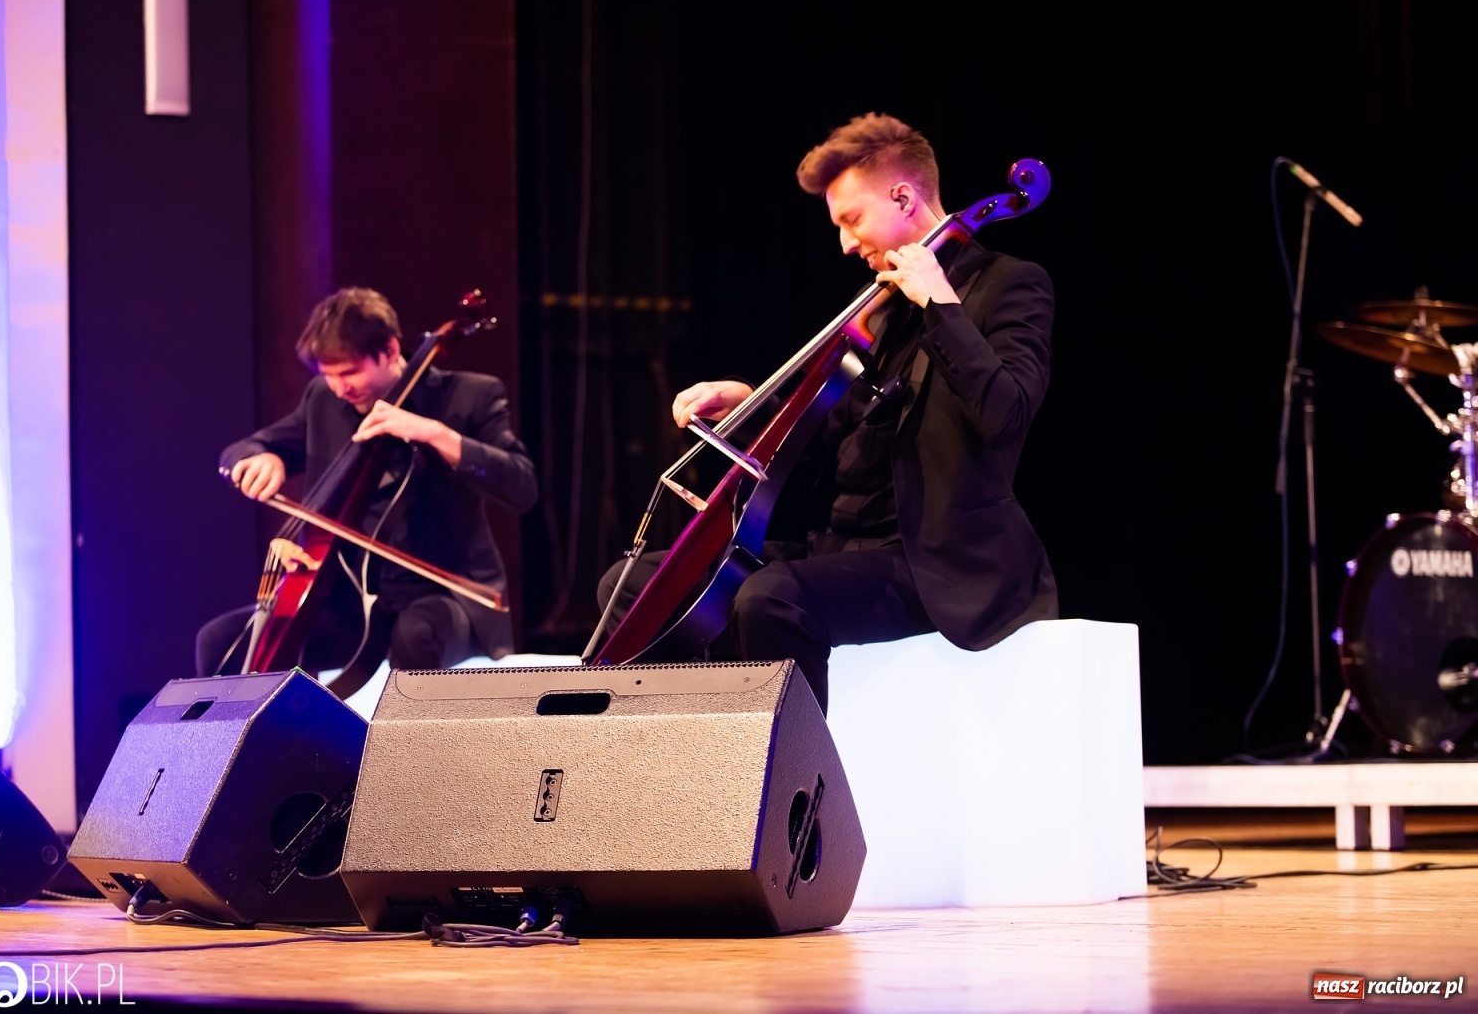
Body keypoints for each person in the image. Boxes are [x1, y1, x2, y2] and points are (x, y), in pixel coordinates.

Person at [597, 112, 1057, 712]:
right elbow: (832, 436)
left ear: (902, 196)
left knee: (769, 598)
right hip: (842, 549)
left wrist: (941, 304)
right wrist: (754, 400)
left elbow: (1007, 415)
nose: (844, 242)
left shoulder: (1009, 286)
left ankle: (795, 793)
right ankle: (661, 770)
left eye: (851, 219)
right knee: (631, 588)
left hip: (937, 560)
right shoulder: (884, 311)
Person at [196, 286, 536, 681]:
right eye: (329, 376)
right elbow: (248, 447)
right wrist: (260, 457)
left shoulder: (469, 396)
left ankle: (411, 746)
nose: (341, 387)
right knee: (218, 640)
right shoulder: (324, 399)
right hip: (349, 601)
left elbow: (522, 486)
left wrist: (433, 434)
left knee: (415, 635)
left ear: (390, 351)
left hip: (444, 598)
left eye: (350, 372)